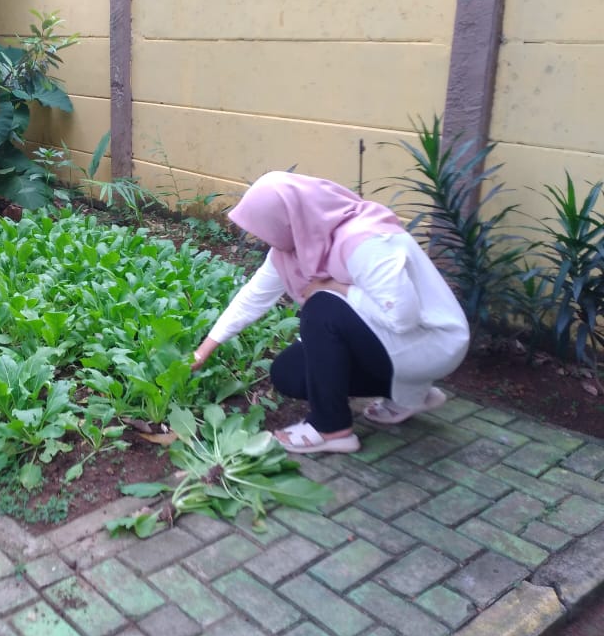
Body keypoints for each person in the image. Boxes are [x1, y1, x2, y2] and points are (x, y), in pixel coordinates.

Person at [190, 171, 470, 454]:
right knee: (289, 372)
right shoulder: (294, 248)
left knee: (322, 306)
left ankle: (332, 429)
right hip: (394, 344)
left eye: (265, 227)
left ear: (288, 220)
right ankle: (410, 393)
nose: (261, 237)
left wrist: (336, 287)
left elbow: (402, 317)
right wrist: (204, 351)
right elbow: (253, 298)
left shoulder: (365, 241)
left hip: (433, 344)